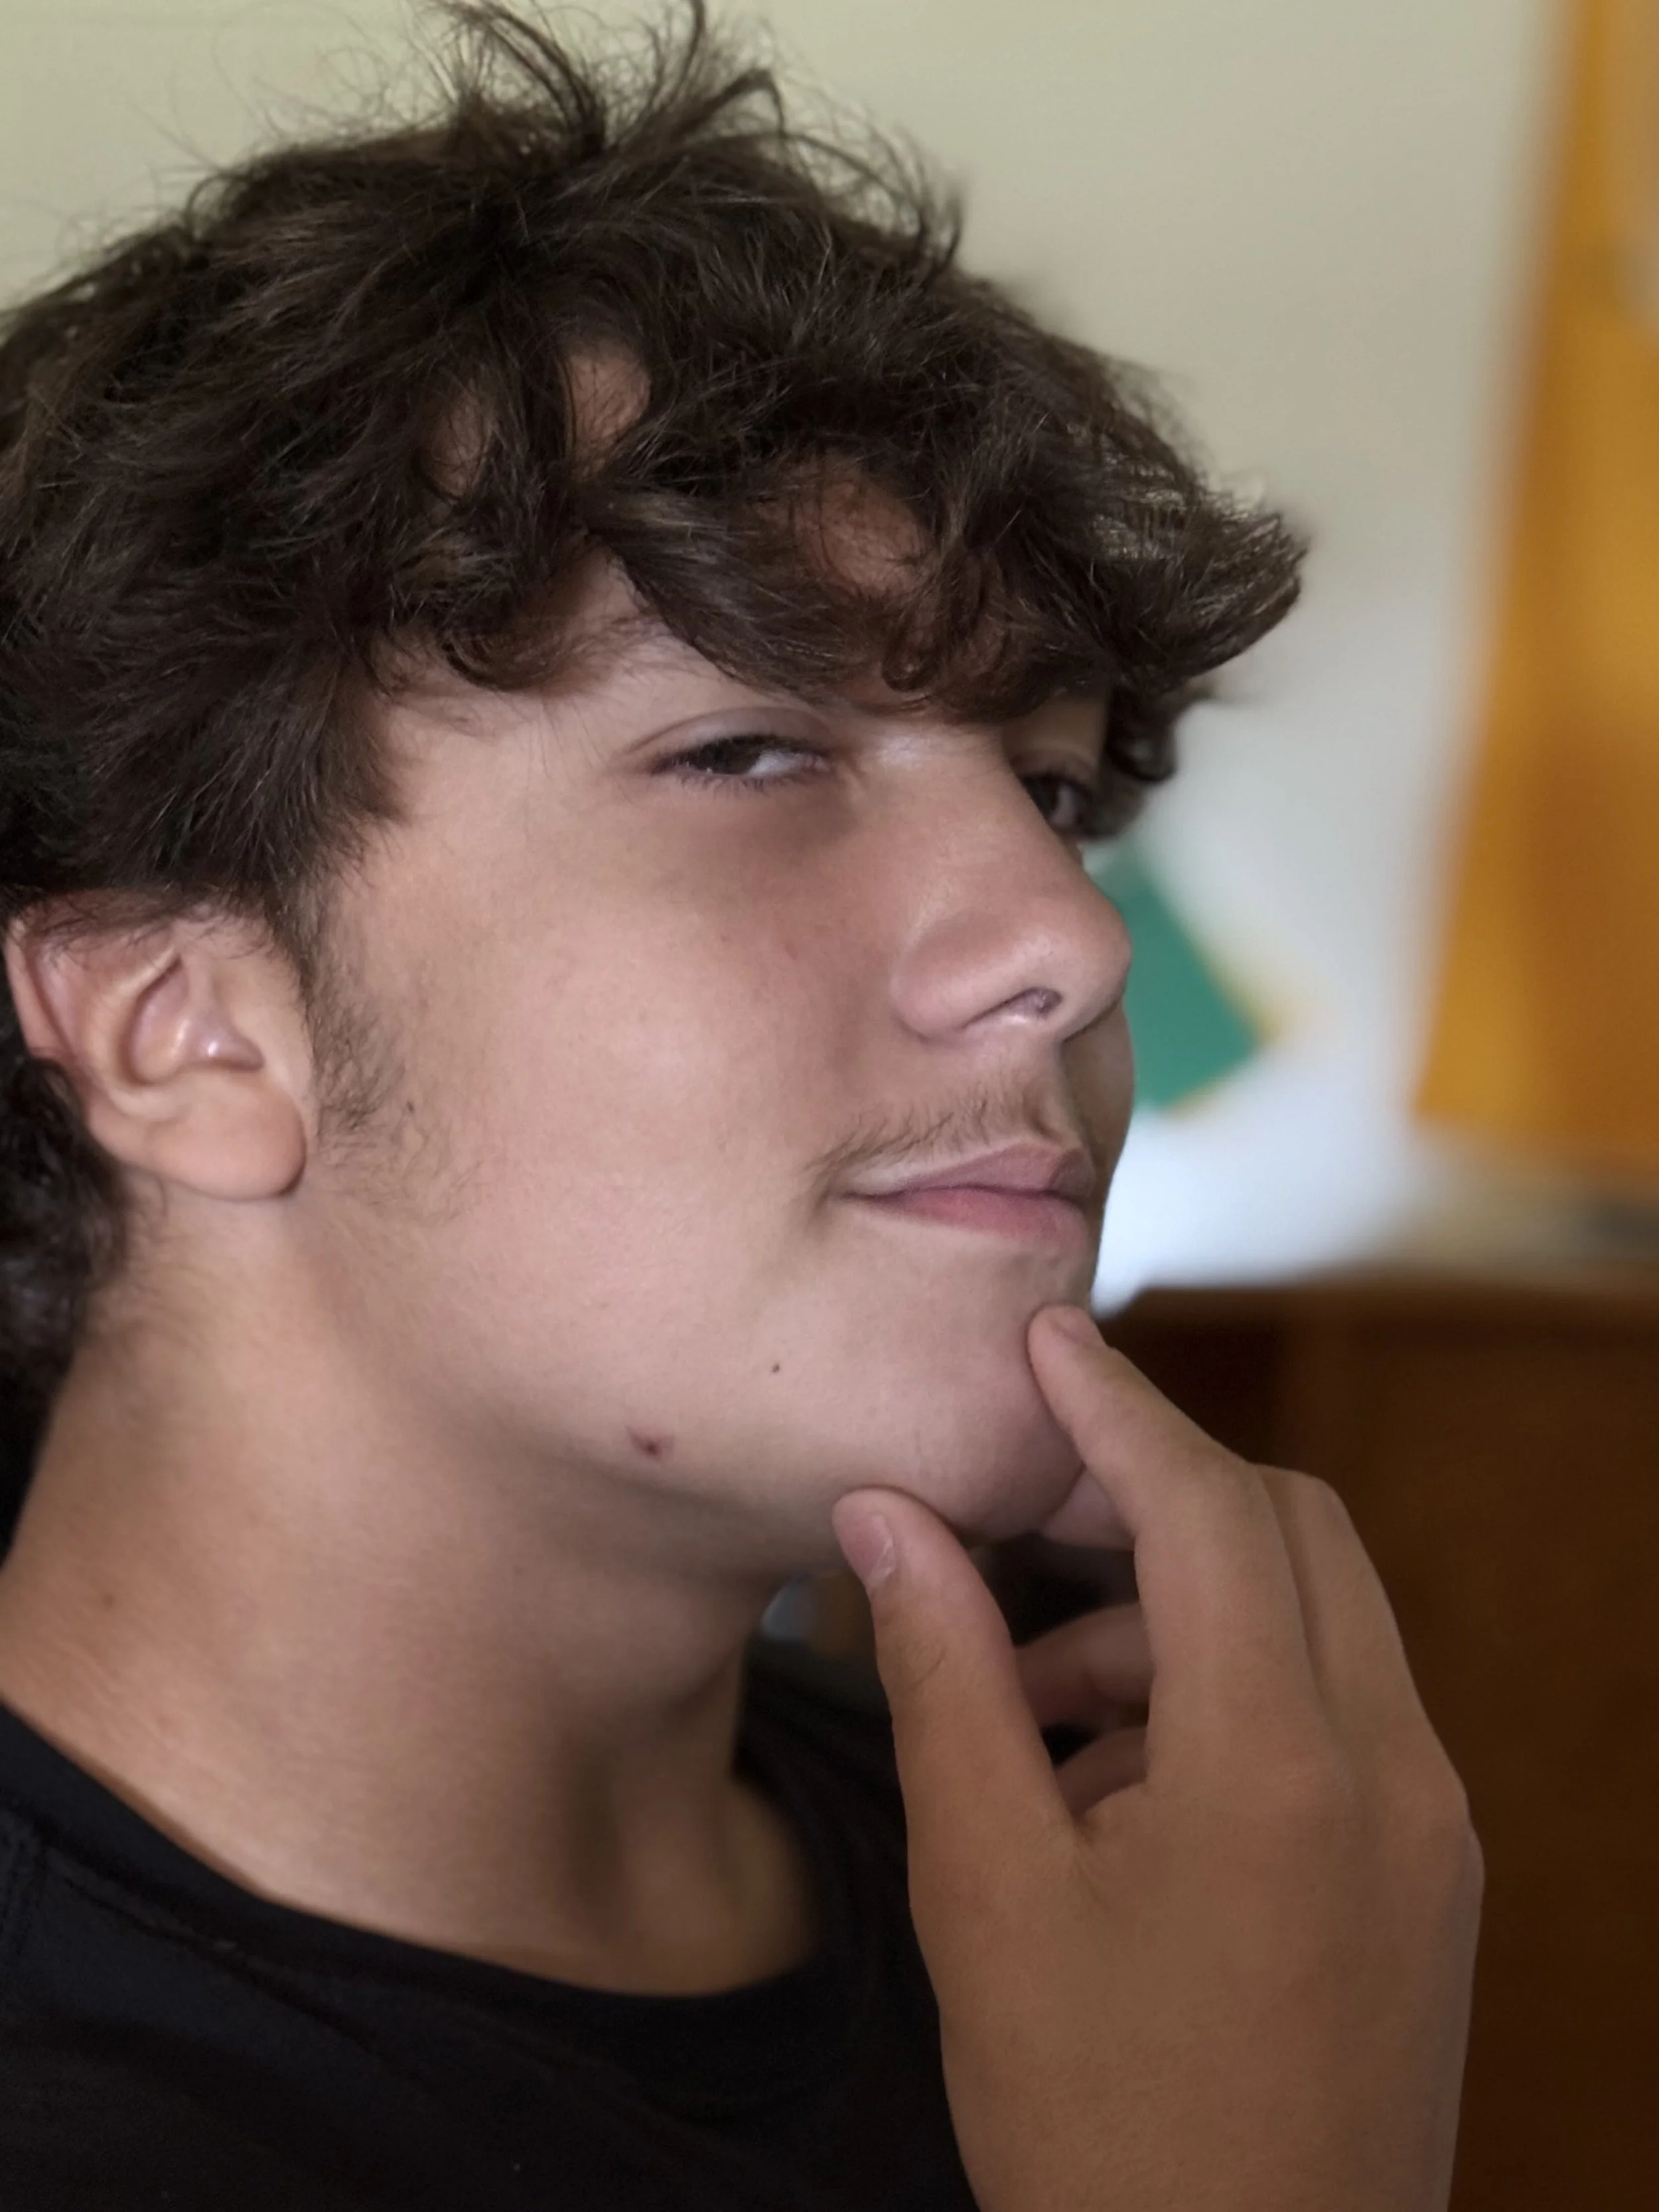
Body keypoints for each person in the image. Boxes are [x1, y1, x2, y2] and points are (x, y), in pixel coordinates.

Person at [0, 3, 1480, 2207]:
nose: (1072, 939)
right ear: (181, 1032)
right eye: (747, 753)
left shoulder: (1141, 1926)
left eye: (1056, 788)